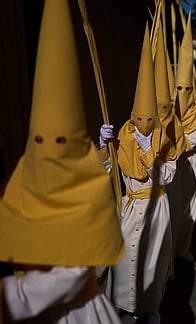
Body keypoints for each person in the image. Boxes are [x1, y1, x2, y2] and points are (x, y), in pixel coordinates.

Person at [0, 0, 124, 322]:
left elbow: (70, 274)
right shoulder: (20, 183)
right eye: (40, 142)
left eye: (62, 143)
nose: (51, 151)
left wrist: (11, 296)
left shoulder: (87, 192)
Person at [101, 24, 177, 323]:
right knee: (123, 261)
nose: (143, 123)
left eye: (149, 119)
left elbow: (166, 176)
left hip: (156, 209)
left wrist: (148, 152)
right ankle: (120, 303)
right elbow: (106, 168)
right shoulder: (123, 135)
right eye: (138, 118)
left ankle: (151, 307)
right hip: (130, 206)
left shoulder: (164, 140)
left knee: (151, 262)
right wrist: (103, 143)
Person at [169, 13, 196, 263]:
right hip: (173, 164)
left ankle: (184, 248)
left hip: (192, 162)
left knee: (190, 209)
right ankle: (170, 253)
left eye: (187, 90)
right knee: (172, 210)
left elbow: (192, 139)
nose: (182, 93)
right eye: (178, 89)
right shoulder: (167, 110)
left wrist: (175, 137)